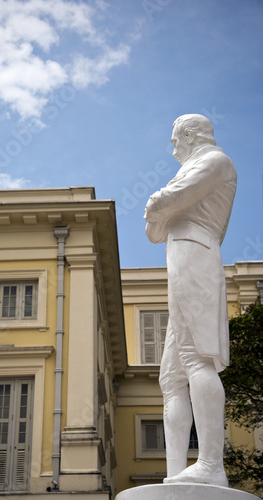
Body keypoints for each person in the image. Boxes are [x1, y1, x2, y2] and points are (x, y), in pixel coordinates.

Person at [144, 114, 237, 487]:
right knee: (171, 377)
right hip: (181, 260)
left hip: (197, 256)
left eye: (174, 139)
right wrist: (160, 208)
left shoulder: (215, 161)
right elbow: (154, 230)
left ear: (189, 135)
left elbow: (166, 202)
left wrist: (159, 204)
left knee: (198, 358)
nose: (172, 147)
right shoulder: (195, 167)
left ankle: (211, 463)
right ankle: (177, 473)